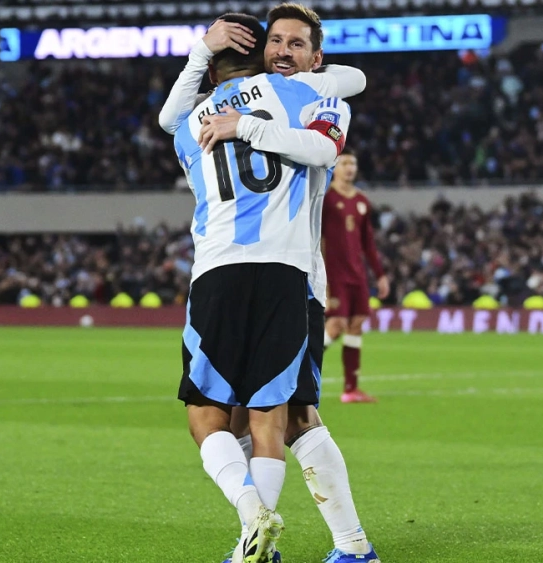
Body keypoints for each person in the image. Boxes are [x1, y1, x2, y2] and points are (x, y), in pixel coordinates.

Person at [161, 7, 380, 563]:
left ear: (314, 56)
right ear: (261, 57)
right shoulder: (299, 96)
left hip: (266, 273)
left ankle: (297, 539)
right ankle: (313, 544)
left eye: (295, 44)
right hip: (288, 272)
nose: (284, 52)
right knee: (274, 415)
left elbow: (169, 118)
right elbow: (352, 85)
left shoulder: (195, 124)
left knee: (275, 415)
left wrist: (203, 54)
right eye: (275, 42)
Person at [322, 150, 389, 403]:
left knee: (357, 323)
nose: (350, 168)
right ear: (335, 168)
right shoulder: (326, 199)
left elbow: (368, 243)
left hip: (357, 274)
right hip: (335, 273)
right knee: (336, 325)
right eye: (345, 163)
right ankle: (300, 374)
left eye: (353, 163)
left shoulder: (362, 201)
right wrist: (324, 282)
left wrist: (380, 275)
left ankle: (351, 389)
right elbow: (320, 240)